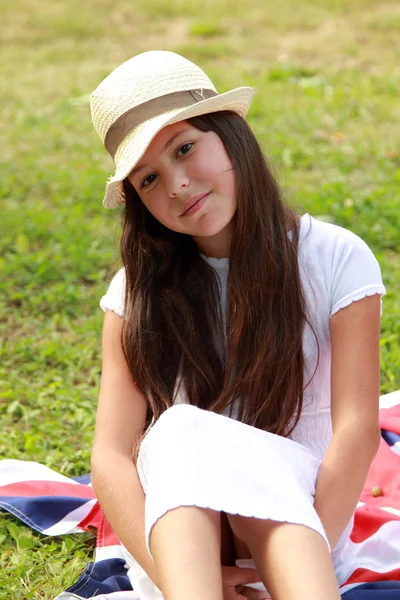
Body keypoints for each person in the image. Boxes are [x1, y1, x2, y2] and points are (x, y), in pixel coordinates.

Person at [89, 50, 386, 600]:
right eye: (149, 178)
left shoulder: (334, 258)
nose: (176, 184)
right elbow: (109, 456)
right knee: (179, 431)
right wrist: (162, 570)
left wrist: (313, 544)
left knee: (211, 444)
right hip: (183, 542)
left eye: (185, 148)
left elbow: (357, 430)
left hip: (305, 526)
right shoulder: (135, 292)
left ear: (231, 134)